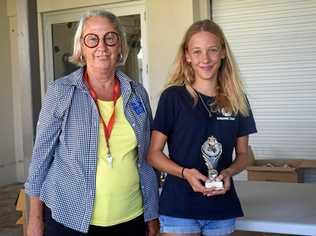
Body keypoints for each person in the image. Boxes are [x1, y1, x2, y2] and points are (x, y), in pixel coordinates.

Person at [25, 9, 159, 236]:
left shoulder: (137, 94)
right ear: (81, 48)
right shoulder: (61, 92)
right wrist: (34, 220)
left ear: (120, 46)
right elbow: (40, 160)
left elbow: (146, 159)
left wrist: (151, 212)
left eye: (110, 37)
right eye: (92, 39)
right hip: (69, 218)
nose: (102, 46)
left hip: (130, 217)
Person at [147, 19, 257, 236]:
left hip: (221, 208)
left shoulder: (237, 99)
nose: (205, 59)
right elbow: (153, 154)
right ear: (187, 55)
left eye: (212, 50)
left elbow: (246, 154)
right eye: (197, 52)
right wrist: (185, 173)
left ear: (223, 52)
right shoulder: (173, 97)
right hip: (179, 207)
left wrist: (229, 171)